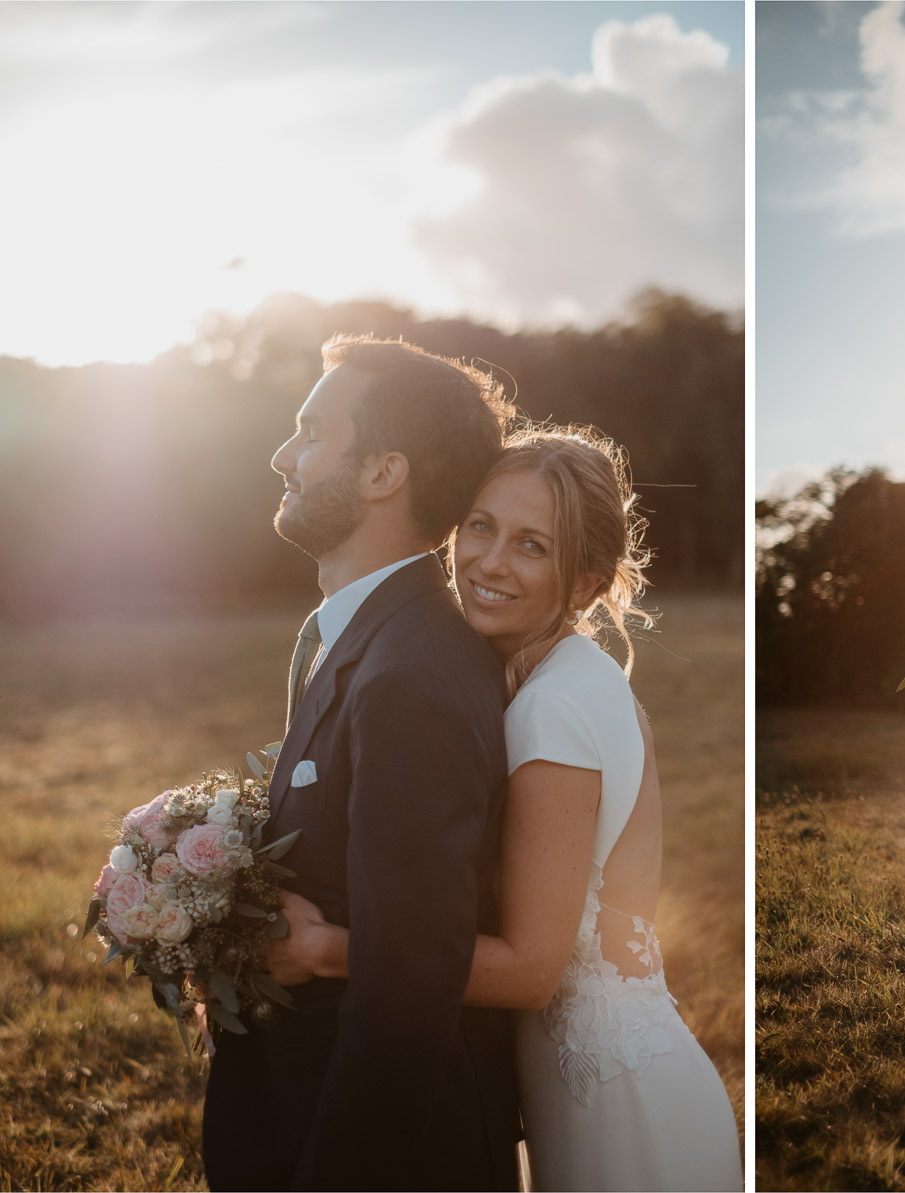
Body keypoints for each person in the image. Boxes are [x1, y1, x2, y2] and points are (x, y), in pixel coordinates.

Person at [265, 427, 744, 1192]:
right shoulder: (571, 678)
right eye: (481, 527)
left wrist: (325, 947)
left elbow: (531, 970)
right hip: (593, 1080)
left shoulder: (552, 709)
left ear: (586, 582)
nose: (489, 562)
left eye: (532, 546)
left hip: (616, 1111)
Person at [203, 335, 520, 1190]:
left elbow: (408, 989)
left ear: (384, 473)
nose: (282, 456)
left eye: (310, 433)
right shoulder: (370, 637)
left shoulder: (411, 671)